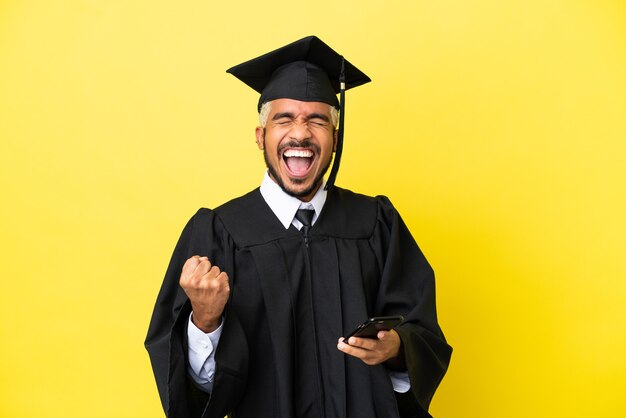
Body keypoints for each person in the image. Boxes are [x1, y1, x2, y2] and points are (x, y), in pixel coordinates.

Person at [145, 36, 452, 418]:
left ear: (334, 139)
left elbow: (422, 334)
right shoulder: (219, 231)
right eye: (284, 118)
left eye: (317, 119)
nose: (301, 132)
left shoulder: (376, 223)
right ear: (261, 137)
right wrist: (204, 320)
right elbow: (197, 393)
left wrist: (397, 349)